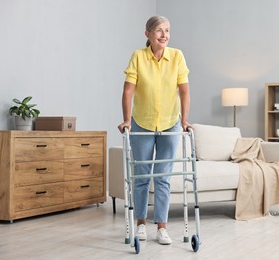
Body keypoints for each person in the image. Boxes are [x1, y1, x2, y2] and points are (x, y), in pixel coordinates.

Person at [117, 16, 191, 245]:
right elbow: (128, 91)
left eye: (167, 30)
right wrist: (126, 120)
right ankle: (140, 224)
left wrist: (185, 120)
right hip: (142, 122)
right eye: (159, 30)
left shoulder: (177, 56)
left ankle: (162, 227)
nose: (164, 35)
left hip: (170, 122)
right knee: (140, 176)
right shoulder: (138, 57)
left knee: (163, 177)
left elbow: (184, 91)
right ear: (147, 34)